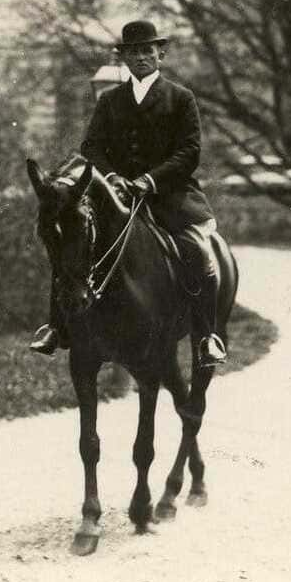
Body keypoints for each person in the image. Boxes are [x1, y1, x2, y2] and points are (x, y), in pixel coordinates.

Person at [31, 19, 228, 368]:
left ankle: (207, 335)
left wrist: (149, 180)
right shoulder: (110, 100)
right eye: (133, 52)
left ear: (160, 53)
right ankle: (56, 327)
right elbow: (91, 146)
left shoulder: (181, 98)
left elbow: (189, 152)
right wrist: (112, 177)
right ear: (123, 58)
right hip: (116, 195)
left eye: (147, 51)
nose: (140, 58)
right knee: (72, 248)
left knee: (197, 250)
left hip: (169, 196)